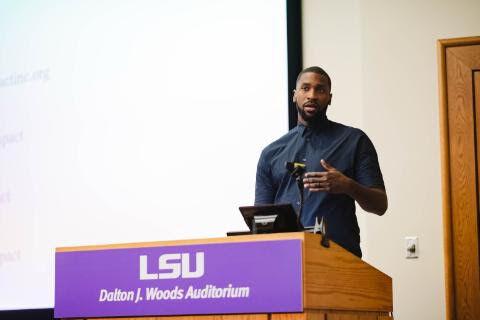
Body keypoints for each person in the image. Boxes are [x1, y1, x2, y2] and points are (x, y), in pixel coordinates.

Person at [255, 66, 387, 257]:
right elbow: (260, 220)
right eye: (305, 88)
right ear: (294, 95)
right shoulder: (271, 153)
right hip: (285, 260)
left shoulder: (354, 141)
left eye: (320, 90)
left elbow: (380, 205)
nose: (312, 95)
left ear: (330, 98)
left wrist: (348, 186)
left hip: (340, 259)